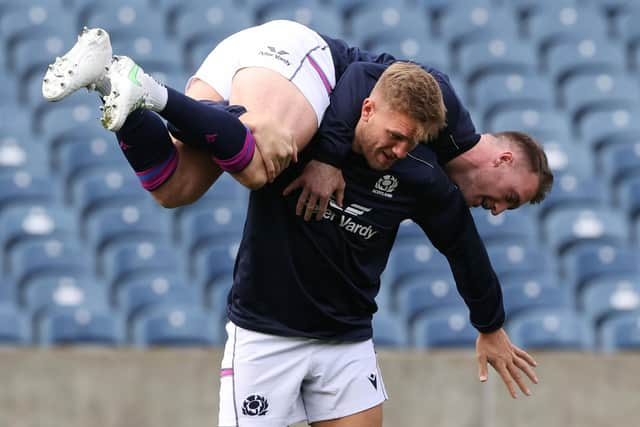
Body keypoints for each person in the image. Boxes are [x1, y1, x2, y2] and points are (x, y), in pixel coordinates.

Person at [42, 21, 552, 426]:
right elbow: (362, 81)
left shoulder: (422, 173)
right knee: (264, 156)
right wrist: (327, 158)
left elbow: (464, 249)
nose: (499, 210)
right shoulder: (416, 102)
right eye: (509, 197)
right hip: (291, 58)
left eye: (409, 143)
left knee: (173, 187)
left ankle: (117, 88)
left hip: (345, 341)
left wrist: (490, 326)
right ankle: (149, 90)